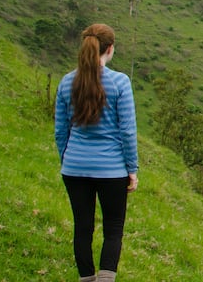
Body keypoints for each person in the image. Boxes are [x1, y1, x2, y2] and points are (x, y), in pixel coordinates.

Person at [54, 23, 139, 282]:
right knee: (113, 230)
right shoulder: (119, 82)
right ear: (110, 49)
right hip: (112, 170)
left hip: (74, 168)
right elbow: (127, 131)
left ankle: (86, 279)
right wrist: (132, 169)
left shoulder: (67, 82)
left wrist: (67, 161)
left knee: (82, 229)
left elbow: (61, 131)